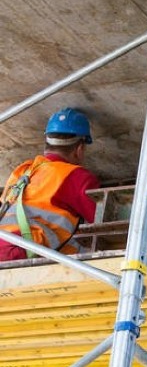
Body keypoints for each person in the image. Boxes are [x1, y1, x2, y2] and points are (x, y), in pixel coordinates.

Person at [0, 108, 100, 262]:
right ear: (79, 149)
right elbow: (102, 221)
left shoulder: (22, 172)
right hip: (21, 254)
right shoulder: (76, 176)